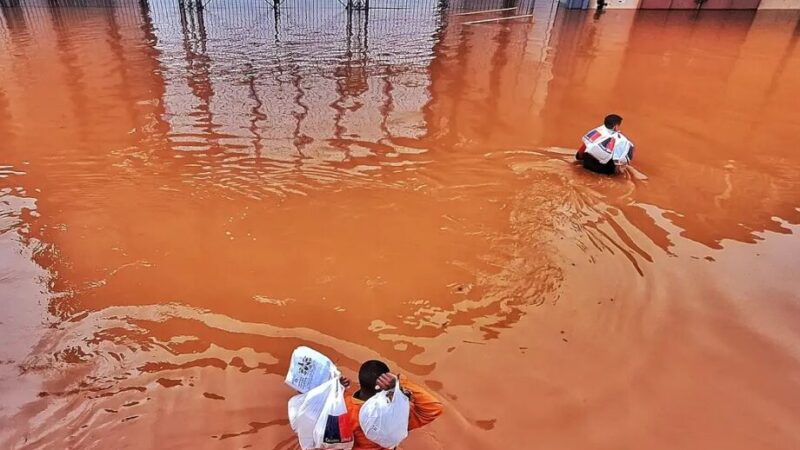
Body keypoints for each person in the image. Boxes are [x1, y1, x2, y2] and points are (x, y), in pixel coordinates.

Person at [339, 360, 444, 450]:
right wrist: (400, 383)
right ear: (384, 387)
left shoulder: (342, 407)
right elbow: (434, 407)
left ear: (360, 380)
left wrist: (337, 390)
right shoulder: (397, 414)